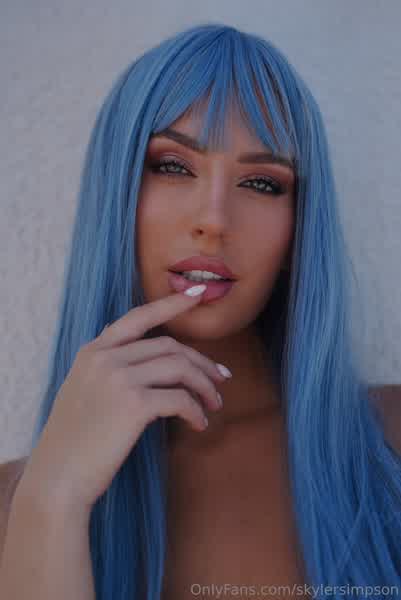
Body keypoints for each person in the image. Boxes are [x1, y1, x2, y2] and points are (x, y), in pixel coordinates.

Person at [1, 22, 401, 600]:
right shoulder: (20, 503)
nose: (213, 220)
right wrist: (54, 499)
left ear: (299, 227)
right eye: (172, 166)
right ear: (115, 192)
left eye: (262, 183)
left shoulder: (389, 446)